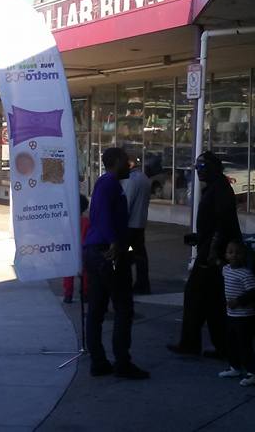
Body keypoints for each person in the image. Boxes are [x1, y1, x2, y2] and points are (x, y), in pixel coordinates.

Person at [168, 151, 241, 358]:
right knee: (211, 300)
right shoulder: (216, 188)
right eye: (197, 167)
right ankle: (217, 346)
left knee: (197, 295)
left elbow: (222, 224)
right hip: (211, 250)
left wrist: (212, 251)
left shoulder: (220, 189)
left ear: (213, 168)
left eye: (202, 167)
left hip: (212, 254)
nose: (198, 171)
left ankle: (195, 343)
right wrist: (200, 238)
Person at [84, 147, 149, 379]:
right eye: (125, 161)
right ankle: (121, 362)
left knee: (97, 308)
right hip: (106, 253)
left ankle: (99, 361)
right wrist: (113, 242)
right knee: (122, 307)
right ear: (116, 162)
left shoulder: (108, 184)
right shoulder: (108, 184)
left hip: (99, 251)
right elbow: (102, 215)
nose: (130, 165)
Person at [217, 240, 255, 387]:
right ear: (226, 255)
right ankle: (235, 367)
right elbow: (218, 265)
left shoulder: (246, 274)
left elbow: (253, 292)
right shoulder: (226, 269)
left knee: (244, 345)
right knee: (231, 343)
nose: (234, 255)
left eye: (238, 252)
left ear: (244, 255)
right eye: (230, 252)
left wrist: (238, 301)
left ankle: (253, 372)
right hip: (231, 315)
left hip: (244, 316)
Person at [122, 157, 152, 294]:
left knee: (127, 254)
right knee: (140, 255)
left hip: (130, 224)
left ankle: (129, 284)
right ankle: (142, 283)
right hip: (140, 222)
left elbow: (126, 203)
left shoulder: (131, 179)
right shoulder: (144, 178)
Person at [62, 194, 90, 304]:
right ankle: (85, 293)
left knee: (68, 273)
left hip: (70, 250)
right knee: (85, 273)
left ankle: (68, 294)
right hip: (83, 251)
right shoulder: (87, 221)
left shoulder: (67, 221)